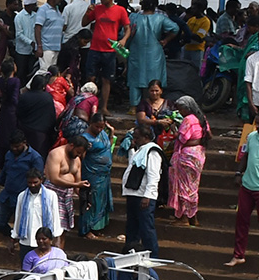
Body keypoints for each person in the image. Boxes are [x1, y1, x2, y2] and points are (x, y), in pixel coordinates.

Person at [121, 0, 179, 106]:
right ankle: (154, 105)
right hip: (155, 53)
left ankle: (134, 107)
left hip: (136, 52)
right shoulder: (160, 18)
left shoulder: (133, 17)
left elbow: (124, 32)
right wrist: (166, 40)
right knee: (155, 79)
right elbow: (175, 28)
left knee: (135, 80)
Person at [167, 95, 211, 225]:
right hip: (199, 155)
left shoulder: (188, 120)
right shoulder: (202, 118)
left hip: (186, 156)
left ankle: (184, 217)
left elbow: (182, 139)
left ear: (187, 108)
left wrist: (174, 131)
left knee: (183, 187)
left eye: (181, 109)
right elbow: (209, 135)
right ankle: (193, 217)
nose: (180, 112)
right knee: (192, 187)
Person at [0, 131, 44, 236]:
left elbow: (38, 178)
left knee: (22, 224)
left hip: (23, 197)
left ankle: (18, 241)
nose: (14, 149)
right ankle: (12, 236)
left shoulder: (35, 158)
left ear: (24, 143)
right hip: (7, 195)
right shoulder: (9, 154)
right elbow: (5, 171)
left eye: (17, 146)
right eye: (12, 146)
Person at [122, 124, 162, 255]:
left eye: (137, 137)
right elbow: (133, 164)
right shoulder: (141, 150)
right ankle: (130, 254)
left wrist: (148, 196)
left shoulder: (153, 151)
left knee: (146, 228)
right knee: (132, 227)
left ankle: (152, 256)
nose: (135, 140)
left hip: (143, 196)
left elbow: (153, 175)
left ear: (146, 137)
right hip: (133, 193)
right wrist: (131, 149)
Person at [43, 137, 89, 242]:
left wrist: (85, 198)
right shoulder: (56, 154)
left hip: (67, 195)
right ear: (72, 145)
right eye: (78, 152)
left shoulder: (77, 160)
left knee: (64, 230)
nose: (79, 155)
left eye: (81, 153)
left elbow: (78, 184)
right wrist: (76, 184)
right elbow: (54, 179)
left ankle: (59, 255)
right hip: (52, 193)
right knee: (53, 228)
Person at [228, 119, 259, 267]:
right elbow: (246, 156)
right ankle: (238, 255)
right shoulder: (252, 136)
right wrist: (238, 172)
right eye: (257, 123)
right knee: (241, 221)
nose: (258, 127)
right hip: (247, 185)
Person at [79, 114, 114, 237]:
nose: (99, 129)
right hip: (91, 173)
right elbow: (80, 156)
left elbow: (108, 147)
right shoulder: (85, 138)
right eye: (97, 126)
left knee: (101, 200)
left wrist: (111, 132)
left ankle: (97, 226)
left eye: (101, 127)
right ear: (91, 123)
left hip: (104, 174)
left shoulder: (103, 134)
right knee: (91, 200)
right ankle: (86, 228)